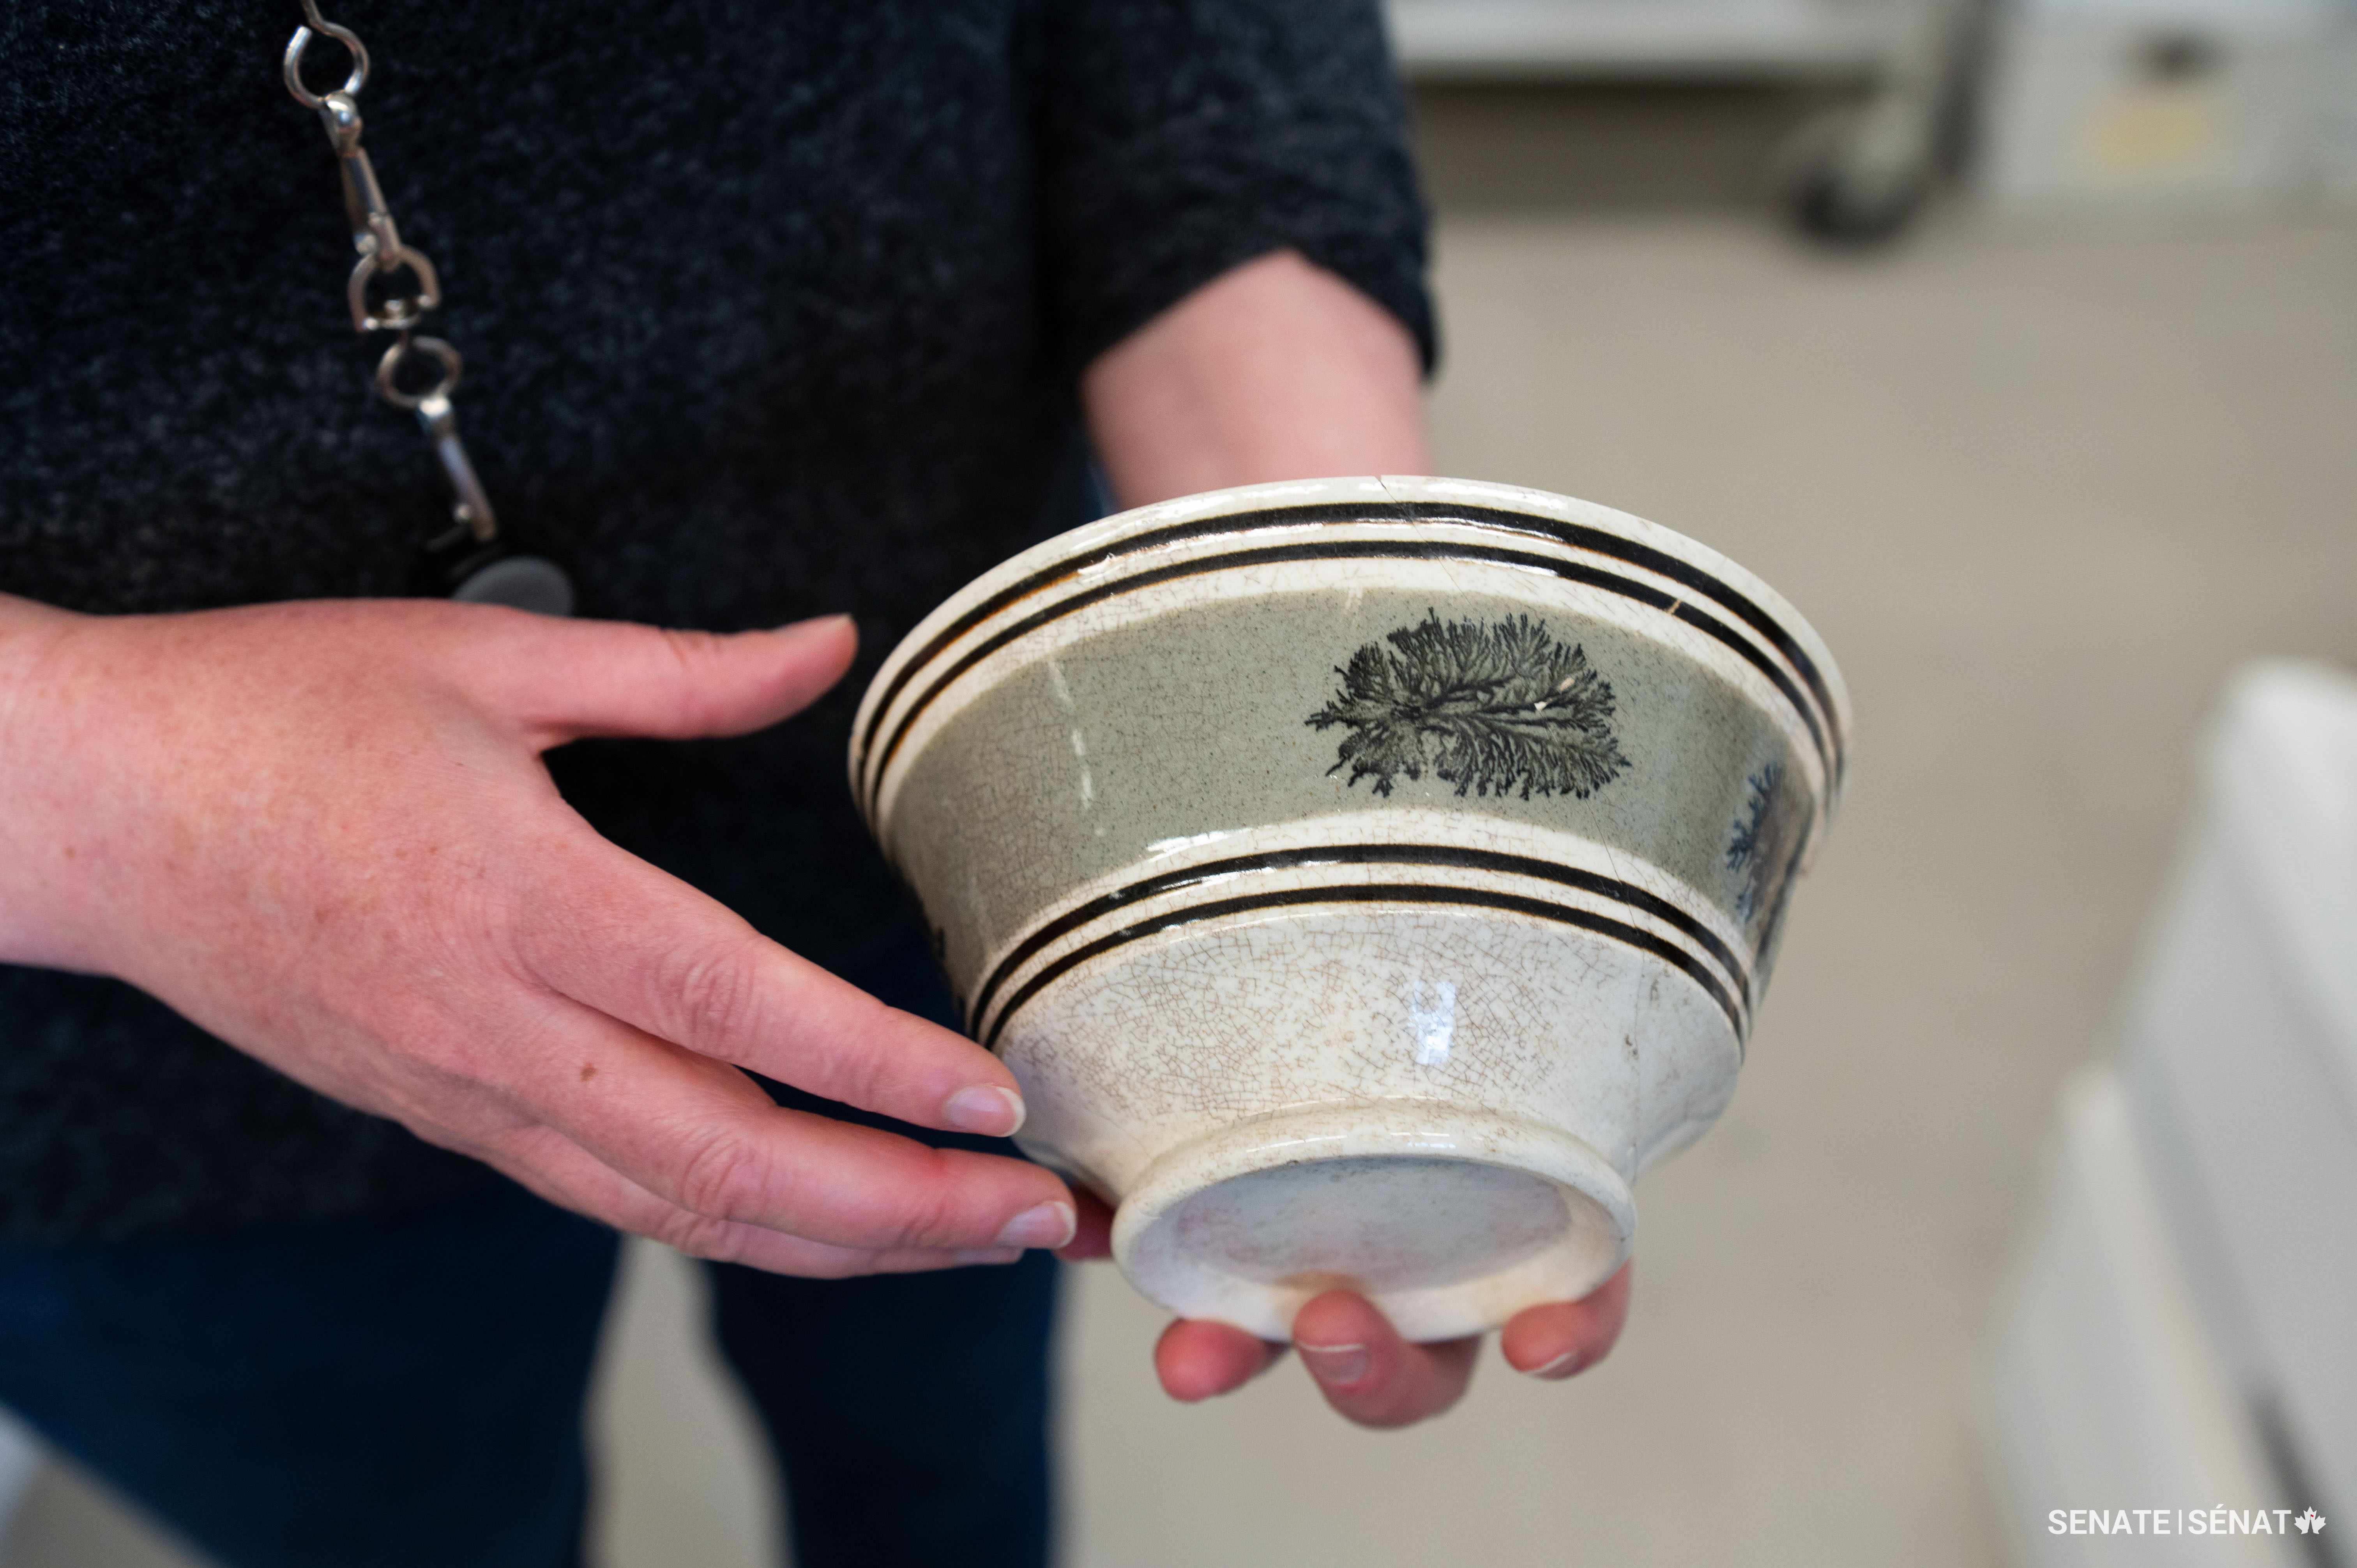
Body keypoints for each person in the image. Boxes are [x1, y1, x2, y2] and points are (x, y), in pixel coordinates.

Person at [0, 3, 1631, 1564]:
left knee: (938, 1453)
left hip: (976, 820)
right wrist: (104, 785)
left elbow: (1193, 50)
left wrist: (1344, 733)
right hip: (157, 1031)